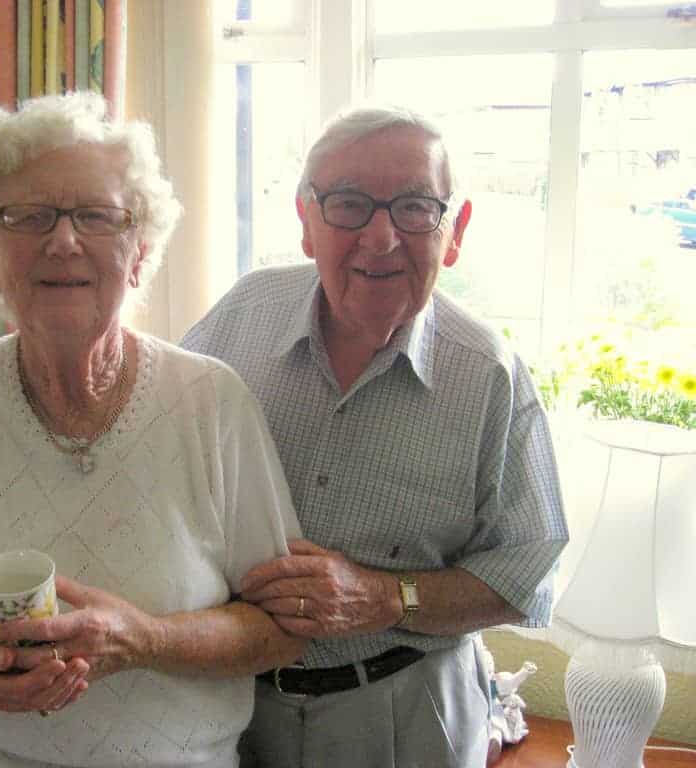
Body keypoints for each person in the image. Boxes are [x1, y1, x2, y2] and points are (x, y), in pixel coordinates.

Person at [0, 92, 305, 768]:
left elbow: (281, 629)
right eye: (28, 216)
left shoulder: (213, 403)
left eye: (97, 216)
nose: (63, 240)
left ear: (139, 252)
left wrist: (146, 639)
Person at [181, 104, 569, 768]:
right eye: (349, 204)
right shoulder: (240, 319)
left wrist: (386, 597)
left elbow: (522, 576)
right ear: (306, 222)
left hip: (405, 713)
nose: (381, 237)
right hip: (231, 705)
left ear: (454, 231)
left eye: (415, 207)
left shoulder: (488, 377)